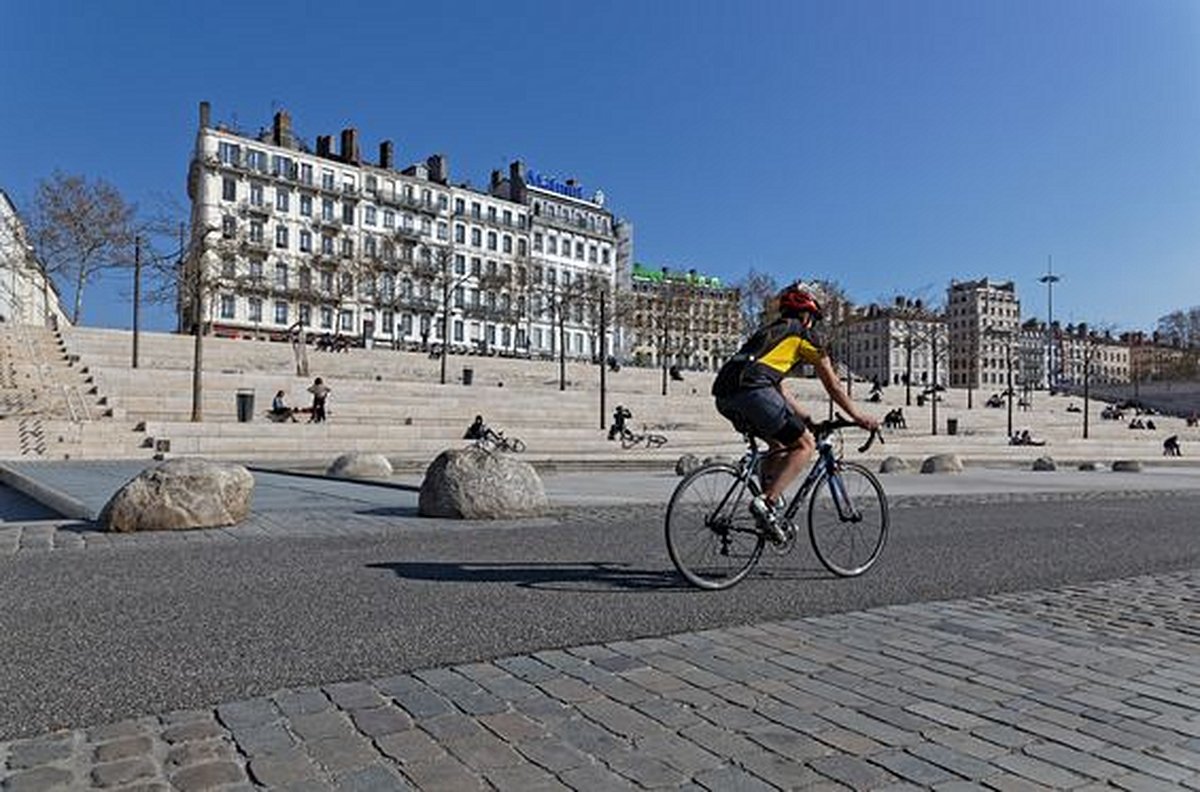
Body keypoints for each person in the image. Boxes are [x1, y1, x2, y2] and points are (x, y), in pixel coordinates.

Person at [711, 282, 878, 543]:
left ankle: (767, 506)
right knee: (805, 445)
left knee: (777, 443)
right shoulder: (805, 336)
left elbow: (779, 389)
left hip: (724, 393)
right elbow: (833, 384)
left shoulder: (768, 333)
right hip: (753, 390)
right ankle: (767, 503)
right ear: (808, 316)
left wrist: (807, 418)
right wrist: (857, 416)